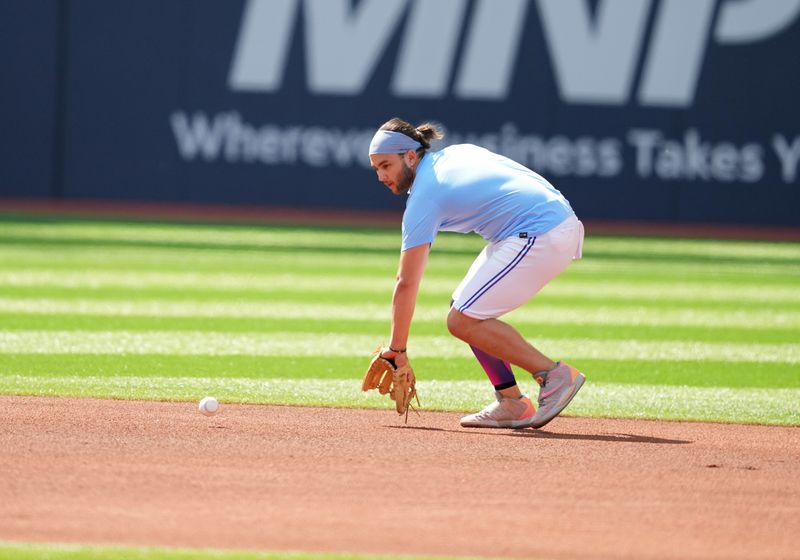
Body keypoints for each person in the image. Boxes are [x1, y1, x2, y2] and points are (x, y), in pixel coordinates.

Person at [368, 117, 586, 429]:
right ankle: (511, 401)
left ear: (411, 157)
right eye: (376, 168)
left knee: (463, 319)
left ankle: (553, 375)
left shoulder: (425, 195)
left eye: (386, 165)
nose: (381, 175)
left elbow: (406, 281)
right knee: (465, 308)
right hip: (549, 222)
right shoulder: (454, 155)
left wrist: (397, 349)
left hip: (540, 231)